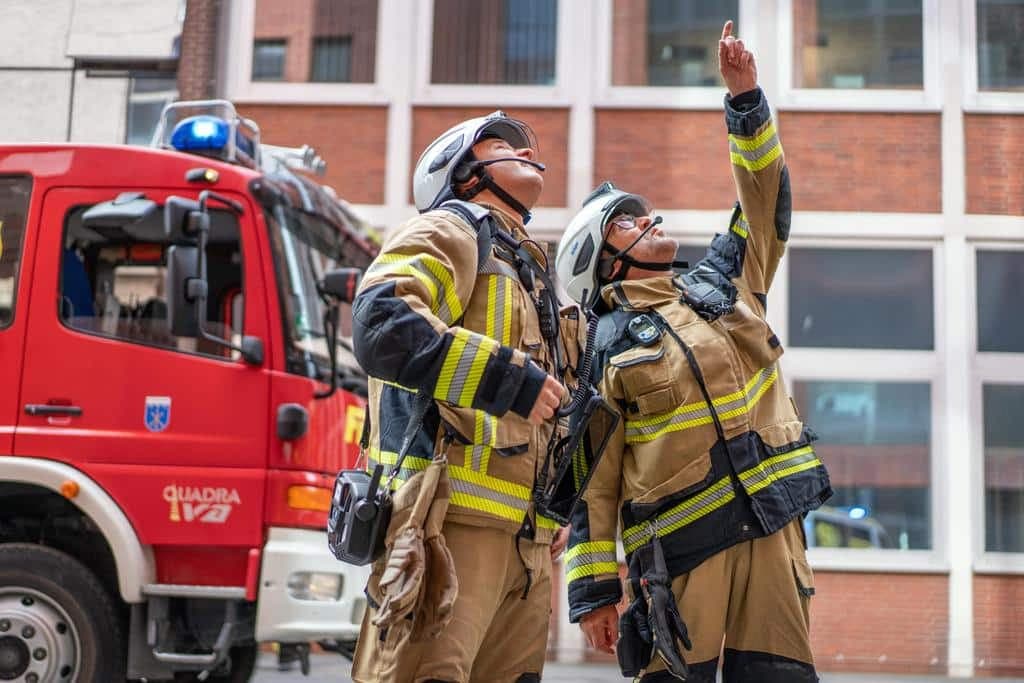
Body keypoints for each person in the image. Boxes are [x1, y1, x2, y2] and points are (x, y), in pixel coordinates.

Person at [553, 21, 832, 683]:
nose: (648, 219)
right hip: (680, 554)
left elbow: (764, 203)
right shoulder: (608, 347)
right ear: (601, 260)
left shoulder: (724, 281)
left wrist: (746, 104)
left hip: (773, 526)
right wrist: (595, 590)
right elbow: (594, 483)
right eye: (627, 219)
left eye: (643, 212)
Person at [350, 110, 579, 683]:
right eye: (503, 147)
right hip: (447, 529)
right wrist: (511, 381)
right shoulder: (449, 229)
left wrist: (554, 510)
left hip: (525, 545)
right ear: (465, 174)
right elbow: (382, 322)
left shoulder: (527, 267)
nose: (527, 153)